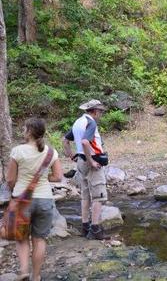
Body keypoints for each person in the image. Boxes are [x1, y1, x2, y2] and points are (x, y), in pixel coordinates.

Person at [6, 118, 63, 281]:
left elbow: (10, 180)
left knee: (22, 238)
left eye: (24, 129)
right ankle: (36, 276)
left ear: (29, 131)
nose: (22, 131)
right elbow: (58, 176)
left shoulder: (17, 151)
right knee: (39, 239)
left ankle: (24, 271)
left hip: (22, 199)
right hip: (44, 199)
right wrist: (44, 179)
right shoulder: (51, 152)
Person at [62, 99, 108, 239]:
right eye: (100, 111)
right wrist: (92, 161)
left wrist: (71, 156)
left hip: (81, 161)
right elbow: (85, 142)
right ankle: (95, 229)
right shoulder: (91, 122)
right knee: (99, 196)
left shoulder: (78, 122)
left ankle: (85, 226)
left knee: (85, 195)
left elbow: (65, 140)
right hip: (91, 162)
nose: (101, 114)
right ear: (94, 111)